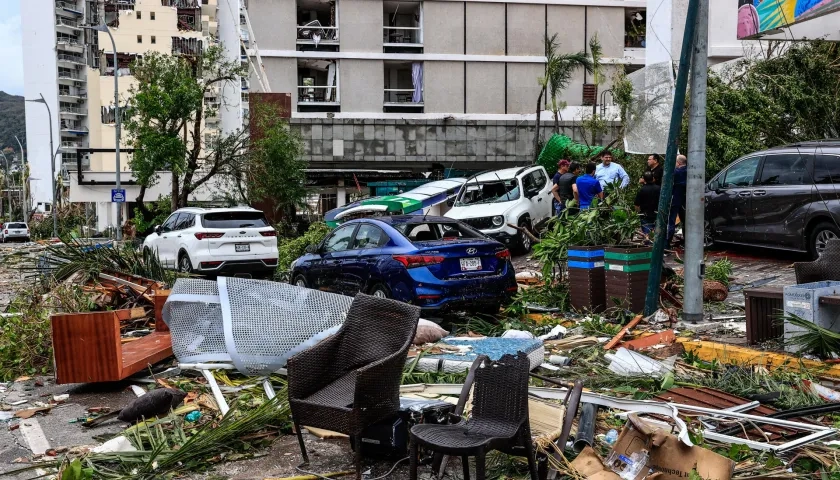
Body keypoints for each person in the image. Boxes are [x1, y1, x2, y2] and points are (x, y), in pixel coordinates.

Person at [667, 154, 688, 246]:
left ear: (678, 163)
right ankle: (686, 242)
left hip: (675, 199)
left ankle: (667, 243)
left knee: (671, 221)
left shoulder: (675, 172)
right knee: (685, 221)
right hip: (686, 200)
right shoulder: (690, 171)